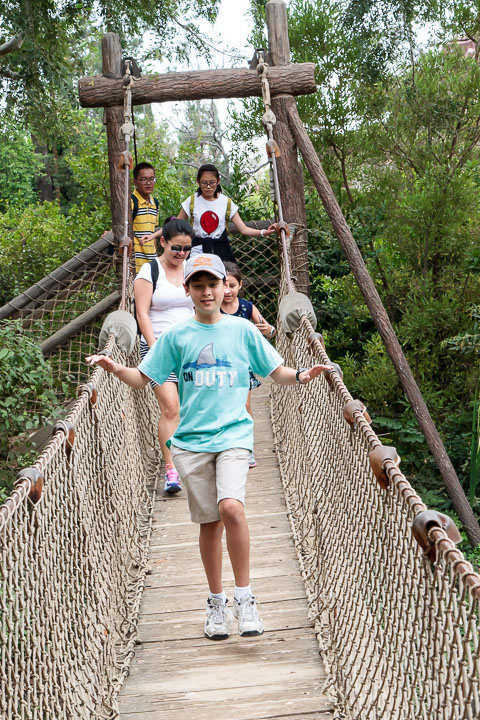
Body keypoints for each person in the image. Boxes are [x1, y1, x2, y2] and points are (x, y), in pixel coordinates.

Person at [86, 253, 331, 641]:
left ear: (224, 287)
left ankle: (245, 598)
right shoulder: (177, 336)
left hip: (234, 434)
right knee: (210, 524)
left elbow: (275, 371)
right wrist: (115, 368)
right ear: (187, 291)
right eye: (198, 285)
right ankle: (216, 602)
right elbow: (143, 377)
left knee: (231, 507)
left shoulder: (242, 330)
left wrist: (303, 374)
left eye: (213, 284)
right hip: (190, 443)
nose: (206, 292)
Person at [134, 218, 195, 494]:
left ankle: (192, 460)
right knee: (171, 407)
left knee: (191, 407)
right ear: (163, 242)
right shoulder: (149, 271)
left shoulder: (193, 269)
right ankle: (171, 469)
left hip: (191, 348)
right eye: (176, 248)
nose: (181, 253)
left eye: (186, 249)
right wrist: (154, 346)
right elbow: (142, 313)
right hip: (158, 347)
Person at [221, 261, 276, 469]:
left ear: (240, 285)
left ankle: (247, 448)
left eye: (232, 285)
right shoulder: (212, 307)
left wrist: (269, 330)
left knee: (244, 406)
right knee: (222, 406)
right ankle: (225, 446)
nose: (228, 291)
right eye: (224, 285)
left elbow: (270, 331)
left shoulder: (247, 307)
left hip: (243, 364)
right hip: (219, 366)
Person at [177, 163, 277, 262]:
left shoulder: (226, 202)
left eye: (212, 182)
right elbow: (176, 225)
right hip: (196, 252)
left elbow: (243, 229)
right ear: (198, 182)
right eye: (204, 183)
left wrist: (264, 232)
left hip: (221, 252)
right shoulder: (192, 201)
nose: (208, 186)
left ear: (218, 181)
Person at [131, 162, 163, 274]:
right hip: (135, 263)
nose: (148, 183)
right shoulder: (131, 202)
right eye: (144, 179)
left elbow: (152, 232)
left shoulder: (155, 203)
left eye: (152, 179)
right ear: (135, 181)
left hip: (151, 262)